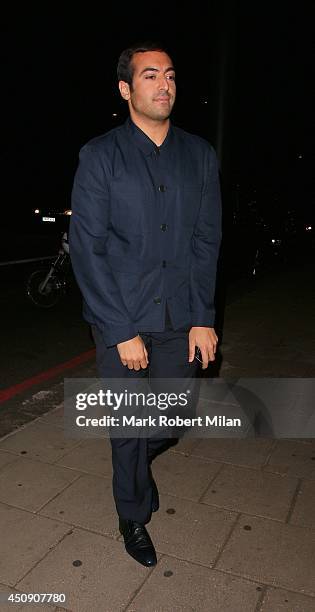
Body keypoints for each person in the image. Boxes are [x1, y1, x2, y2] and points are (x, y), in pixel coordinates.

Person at [69, 41, 222, 567]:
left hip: (180, 314)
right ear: (126, 89)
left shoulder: (199, 155)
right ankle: (132, 513)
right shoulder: (100, 155)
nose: (164, 84)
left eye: (171, 75)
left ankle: (136, 467)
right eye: (151, 75)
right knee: (128, 423)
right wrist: (119, 329)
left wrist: (204, 316)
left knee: (174, 414)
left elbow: (207, 241)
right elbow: (88, 248)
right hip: (123, 314)